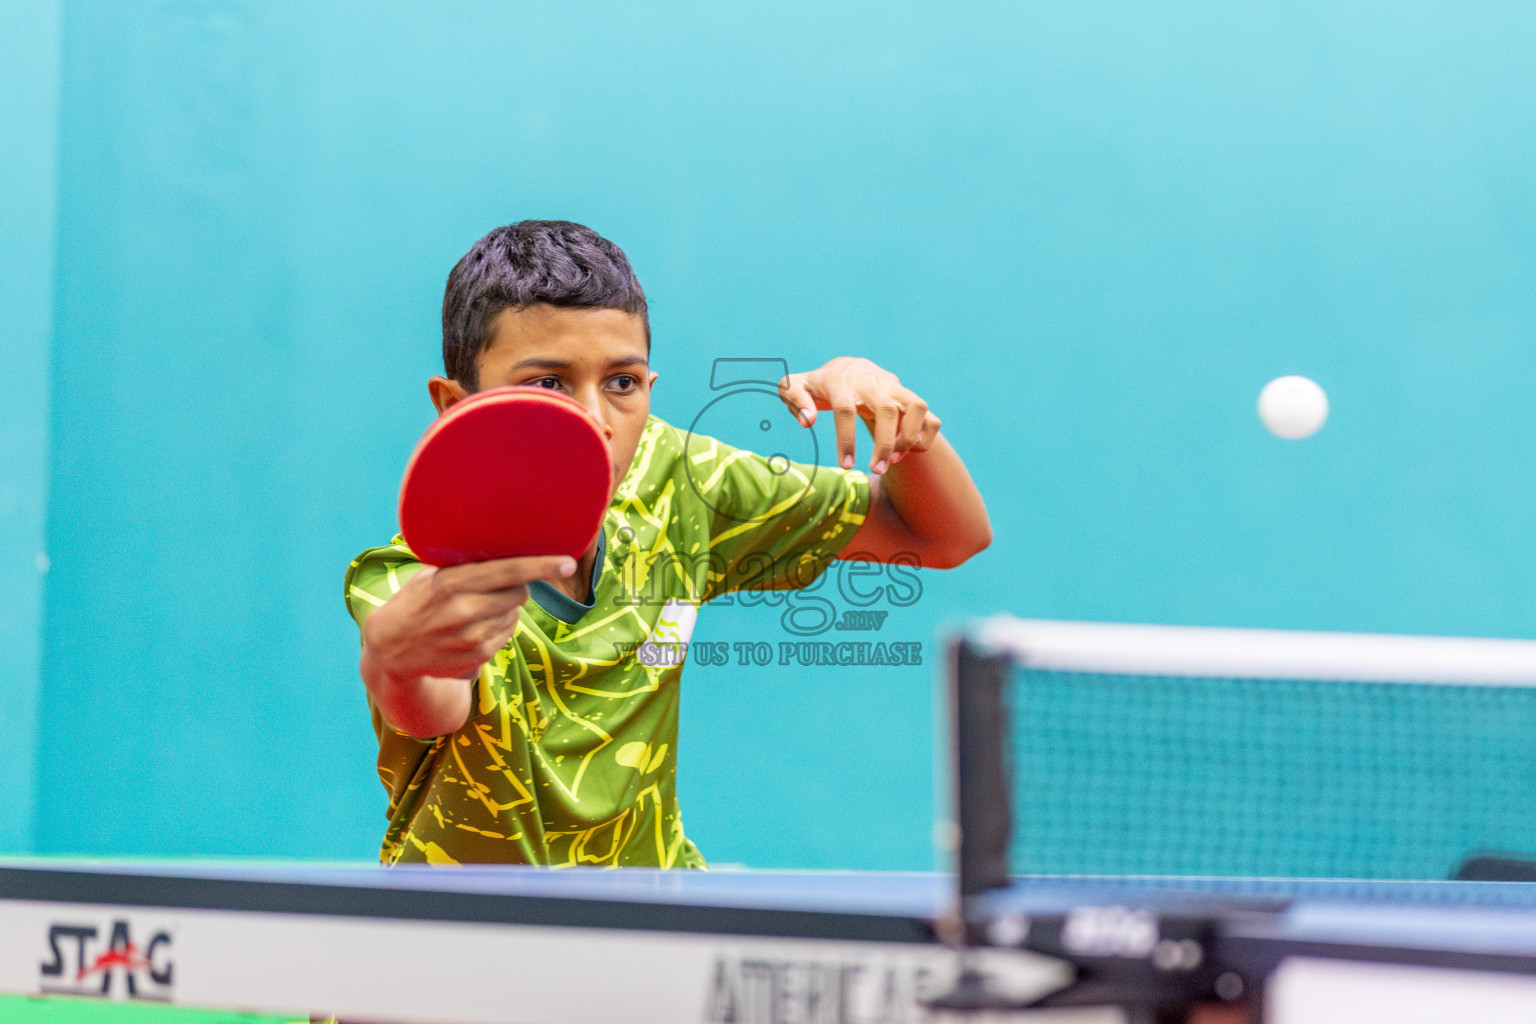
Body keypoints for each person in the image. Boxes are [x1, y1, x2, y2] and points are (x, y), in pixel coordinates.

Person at [343, 220, 991, 867]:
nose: (596, 419)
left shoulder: (680, 478)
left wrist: (897, 418)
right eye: (548, 384)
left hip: (657, 921)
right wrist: (389, 663)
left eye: (621, 382)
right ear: (456, 405)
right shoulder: (414, 575)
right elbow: (431, 703)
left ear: (648, 388)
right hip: (470, 942)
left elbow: (943, 536)